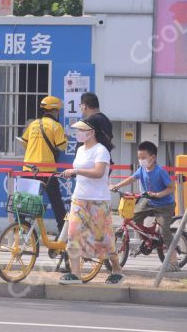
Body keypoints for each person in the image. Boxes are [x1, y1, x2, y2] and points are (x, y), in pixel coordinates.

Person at [60, 119, 124, 284]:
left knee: (104, 238)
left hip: (98, 200)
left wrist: (76, 171)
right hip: (79, 198)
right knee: (73, 234)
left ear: (92, 132)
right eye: (78, 130)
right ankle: (75, 273)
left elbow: (98, 172)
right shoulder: (80, 149)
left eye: (82, 130)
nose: (78, 133)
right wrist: (74, 172)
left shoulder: (101, 150)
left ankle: (117, 269)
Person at [110, 141, 178, 270]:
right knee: (132, 217)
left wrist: (158, 194)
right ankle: (148, 238)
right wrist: (116, 186)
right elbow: (132, 178)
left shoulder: (160, 171)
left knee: (165, 232)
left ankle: (174, 263)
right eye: (139, 158)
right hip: (148, 200)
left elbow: (171, 188)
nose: (141, 160)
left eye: (143, 158)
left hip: (164, 204)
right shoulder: (141, 169)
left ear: (153, 158)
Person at [20, 95, 68, 233]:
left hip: (28, 168)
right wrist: (65, 138)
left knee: (26, 201)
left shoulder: (33, 124)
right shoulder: (56, 126)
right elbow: (62, 147)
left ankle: (21, 229)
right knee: (56, 201)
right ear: (55, 111)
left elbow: (24, 142)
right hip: (47, 170)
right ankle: (62, 230)